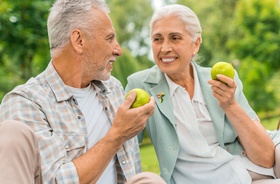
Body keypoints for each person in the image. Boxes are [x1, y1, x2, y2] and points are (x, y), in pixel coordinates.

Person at [0, 0, 166, 183]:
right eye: (109, 39)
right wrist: (117, 134)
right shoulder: (26, 102)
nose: (118, 50)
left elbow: (131, 167)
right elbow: (55, 180)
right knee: (11, 129)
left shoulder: (113, 89)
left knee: (150, 180)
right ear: (79, 41)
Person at [125, 4, 280, 184]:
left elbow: (266, 158)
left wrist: (230, 106)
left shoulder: (222, 80)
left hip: (246, 172)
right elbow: (124, 144)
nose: (164, 48)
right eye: (157, 39)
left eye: (175, 38)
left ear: (196, 44)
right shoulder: (140, 85)